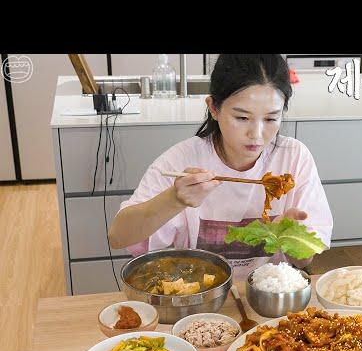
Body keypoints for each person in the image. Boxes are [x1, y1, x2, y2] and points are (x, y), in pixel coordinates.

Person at [108, 54, 333, 279]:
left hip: (267, 297)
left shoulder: (293, 157)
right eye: (242, 118)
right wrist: (174, 200)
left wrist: (290, 236)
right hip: (199, 295)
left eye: (271, 119)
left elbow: (305, 261)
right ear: (214, 108)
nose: (256, 135)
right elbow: (118, 237)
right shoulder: (182, 160)